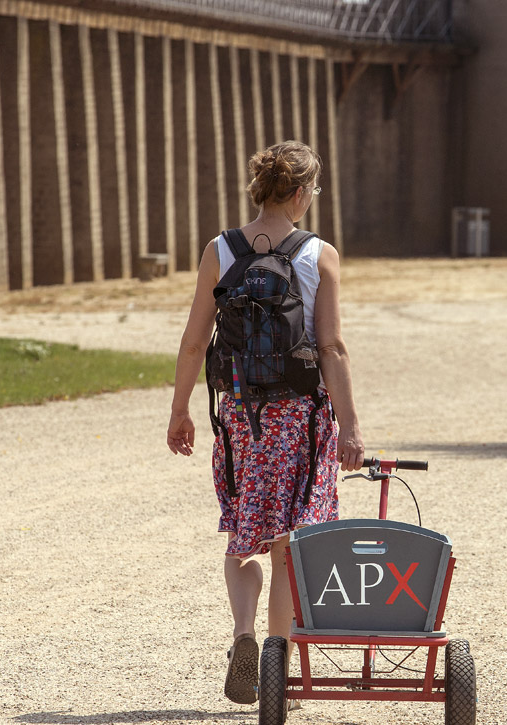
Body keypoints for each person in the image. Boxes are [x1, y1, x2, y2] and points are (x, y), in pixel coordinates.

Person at [165, 140, 367, 705]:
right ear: (300, 192)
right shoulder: (318, 254)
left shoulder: (220, 251)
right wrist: (349, 426)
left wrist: (181, 411)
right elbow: (332, 346)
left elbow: (193, 341)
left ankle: (243, 635)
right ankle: (277, 676)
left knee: (242, 538)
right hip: (298, 419)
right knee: (287, 546)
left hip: (242, 419)